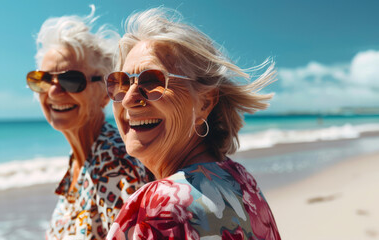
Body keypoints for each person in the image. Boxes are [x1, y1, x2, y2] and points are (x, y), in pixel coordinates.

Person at [105, 7, 281, 239]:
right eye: (121, 83)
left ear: (205, 103)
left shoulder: (160, 207)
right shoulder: (241, 180)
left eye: (152, 81)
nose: (128, 100)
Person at [26, 6, 152, 239]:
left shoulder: (115, 164)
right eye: (42, 80)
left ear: (106, 93)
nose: (53, 92)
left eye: (71, 80)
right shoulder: (81, 159)